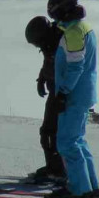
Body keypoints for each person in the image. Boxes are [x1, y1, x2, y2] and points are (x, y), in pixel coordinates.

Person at [43, 0, 99, 198]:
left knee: (67, 142)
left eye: (55, 13)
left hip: (75, 94)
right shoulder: (82, 28)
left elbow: (76, 66)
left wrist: (63, 93)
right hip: (84, 92)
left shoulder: (74, 32)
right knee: (77, 140)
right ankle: (89, 185)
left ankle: (79, 189)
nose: (54, 18)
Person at [25, 16, 66, 182]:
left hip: (62, 93)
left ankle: (57, 170)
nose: (36, 46)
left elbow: (70, 69)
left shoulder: (59, 43)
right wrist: (41, 79)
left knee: (51, 132)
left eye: (36, 42)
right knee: (48, 132)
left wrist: (63, 94)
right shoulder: (50, 43)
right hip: (55, 91)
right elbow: (47, 63)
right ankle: (54, 167)